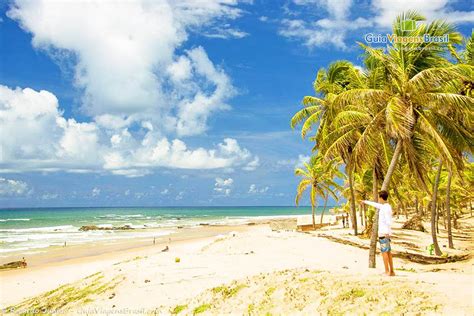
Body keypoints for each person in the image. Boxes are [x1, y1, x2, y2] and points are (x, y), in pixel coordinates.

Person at [363, 190, 395, 276]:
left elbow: (389, 221)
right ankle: (391, 271)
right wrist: (365, 202)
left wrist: (387, 232)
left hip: (384, 233)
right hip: (385, 233)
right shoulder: (386, 206)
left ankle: (387, 271)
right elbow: (377, 205)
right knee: (388, 252)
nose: (378, 199)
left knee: (384, 252)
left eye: (378, 197)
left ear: (381, 198)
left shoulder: (385, 208)